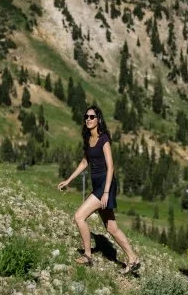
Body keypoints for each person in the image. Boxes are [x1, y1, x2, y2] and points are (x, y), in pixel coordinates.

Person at [58, 105, 141, 274]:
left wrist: (105, 193)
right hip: (98, 185)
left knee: (79, 216)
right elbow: (84, 162)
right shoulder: (88, 139)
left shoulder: (104, 139)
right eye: (86, 117)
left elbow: (111, 167)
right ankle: (133, 258)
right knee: (111, 228)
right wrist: (69, 180)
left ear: (98, 119)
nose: (88, 120)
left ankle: (88, 256)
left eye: (92, 117)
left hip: (105, 185)